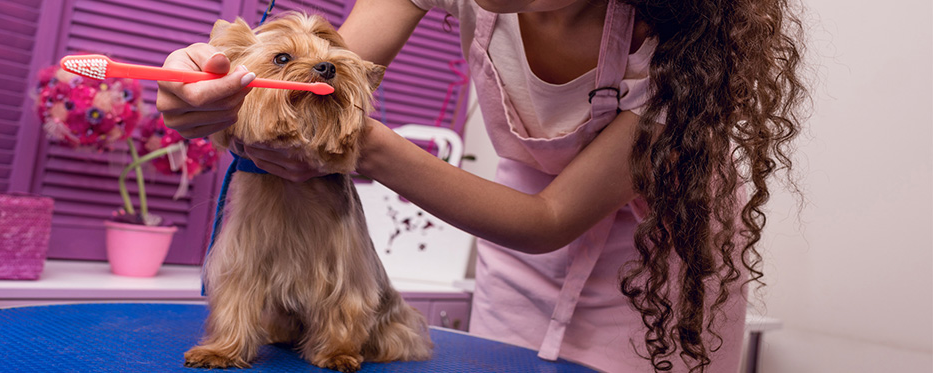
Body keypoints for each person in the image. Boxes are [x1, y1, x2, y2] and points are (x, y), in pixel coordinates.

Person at [156, 0, 806, 371]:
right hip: (514, 255)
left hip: (662, 279)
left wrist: (370, 149)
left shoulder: (682, 51)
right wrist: (219, 97)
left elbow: (552, 216)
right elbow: (318, 85)